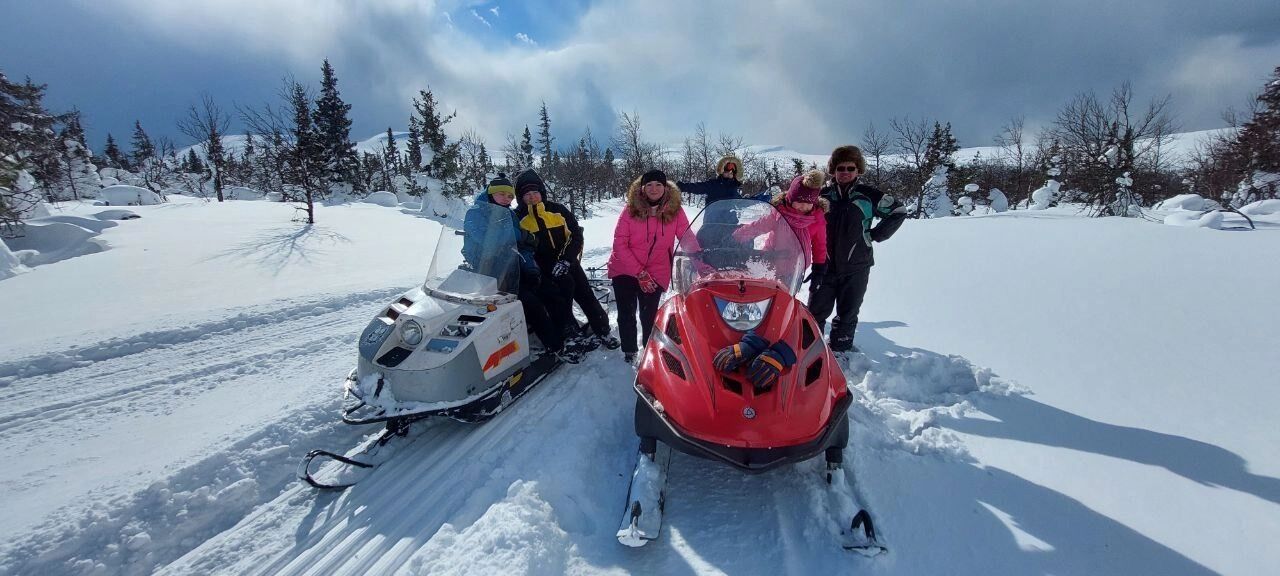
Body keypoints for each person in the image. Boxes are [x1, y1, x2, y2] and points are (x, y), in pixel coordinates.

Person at [465, 175, 579, 362]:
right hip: (488, 274)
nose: (506, 199)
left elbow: (523, 245)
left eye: (509, 196)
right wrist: (518, 236)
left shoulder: (508, 214)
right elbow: (489, 244)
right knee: (532, 304)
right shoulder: (476, 213)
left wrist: (530, 266)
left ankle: (563, 333)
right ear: (491, 193)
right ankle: (554, 345)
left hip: (512, 269)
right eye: (501, 194)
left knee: (553, 292)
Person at [808, 146, 907, 353]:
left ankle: (841, 352)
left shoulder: (868, 195)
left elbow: (898, 210)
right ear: (833, 170)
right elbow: (797, 210)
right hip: (824, 266)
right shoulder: (821, 196)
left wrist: (876, 234)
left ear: (858, 170)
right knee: (815, 313)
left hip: (857, 266)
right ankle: (809, 352)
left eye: (850, 168)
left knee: (847, 314)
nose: (845, 172)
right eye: (840, 168)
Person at [512, 168, 619, 354]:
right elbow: (519, 247)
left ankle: (603, 330)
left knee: (585, 295)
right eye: (527, 194)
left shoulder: (557, 210)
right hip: (542, 269)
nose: (532, 197)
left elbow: (575, 236)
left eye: (535, 192)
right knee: (558, 301)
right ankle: (571, 335)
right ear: (520, 197)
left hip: (567, 262)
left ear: (542, 192)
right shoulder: (518, 219)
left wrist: (566, 260)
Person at [607, 169, 691, 364]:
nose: (654, 189)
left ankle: (649, 351)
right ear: (642, 188)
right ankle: (629, 350)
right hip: (625, 269)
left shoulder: (675, 210)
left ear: (665, 188)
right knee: (626, 312)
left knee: (649, 315)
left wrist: (702, 261)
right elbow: (620, 244)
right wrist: (639, 273)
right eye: (649, 185)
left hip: (656, 270)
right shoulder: (630, 210)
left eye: (658, 185)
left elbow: (687, 238)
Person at [732, 169, 829, 274]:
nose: (804, 206)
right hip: (771, 263)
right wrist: (736, 236)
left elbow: (819, 244)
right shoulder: (779, 214)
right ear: (791, 199)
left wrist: (819, 268)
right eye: (800, 201)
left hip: (796, 269)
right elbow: (757, 226)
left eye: (809, 203)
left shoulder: (816, 219)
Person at [677, 153, 745, 206]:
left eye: (731, 173)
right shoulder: (713, 184)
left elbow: (740, 203)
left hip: (730, 223)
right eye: (727, 172)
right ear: (722, 172)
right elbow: (698, 187)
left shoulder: (734, 188)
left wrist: (752, 200)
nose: (729, 174)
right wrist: (682, 186)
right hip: (712, 222)